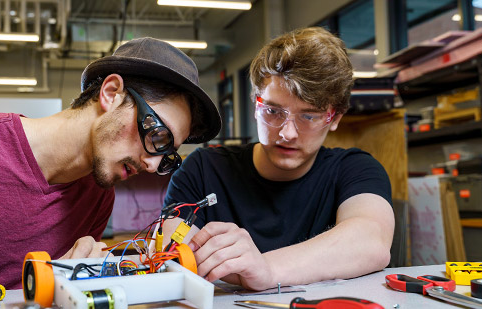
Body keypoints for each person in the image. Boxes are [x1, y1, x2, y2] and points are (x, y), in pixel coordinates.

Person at [0, 37, 221, 296]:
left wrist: (64, 277)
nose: (151, 163)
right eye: (157, 137)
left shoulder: (97, 196)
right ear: (111, 93)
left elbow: (35, 298)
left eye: (167, 156)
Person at [162, 27, 394, 291]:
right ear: (255, 105)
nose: (287, 133)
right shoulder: (203, 170)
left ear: (335, 118)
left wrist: (266, 269)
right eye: (273, 111)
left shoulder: (355, 170)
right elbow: (171, 254)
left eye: (309, 116)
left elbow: (371, 241)